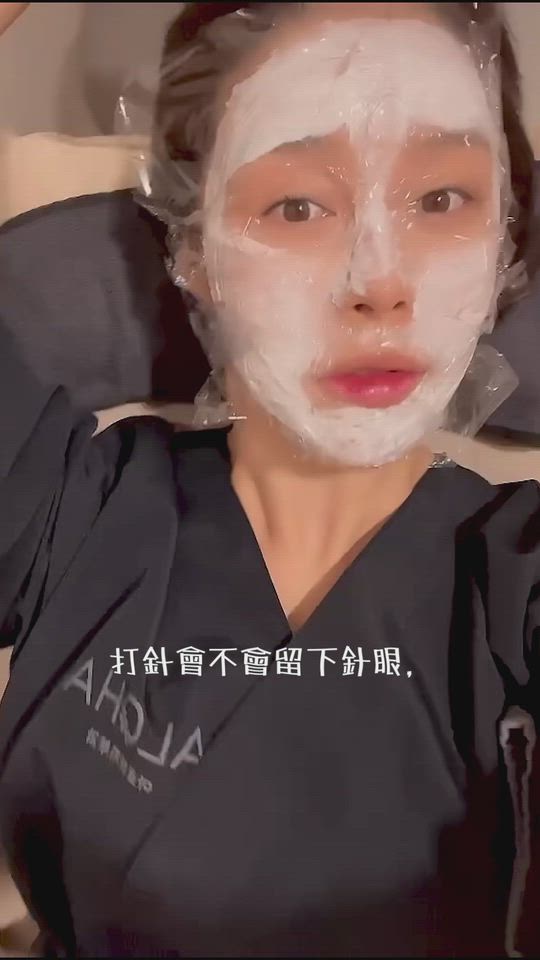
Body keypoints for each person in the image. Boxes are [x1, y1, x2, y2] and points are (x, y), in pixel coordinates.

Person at [0, 1, 539, 956]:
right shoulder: (74, 514)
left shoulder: (514, 588)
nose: (380, 282)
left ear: (507, 243)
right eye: (297, 206)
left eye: (440, 200)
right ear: (194, 248)